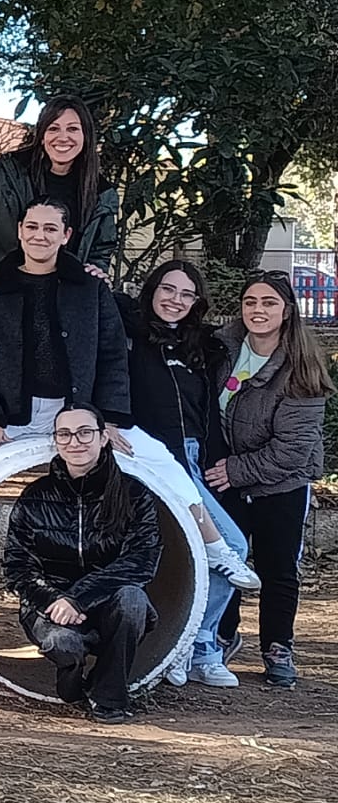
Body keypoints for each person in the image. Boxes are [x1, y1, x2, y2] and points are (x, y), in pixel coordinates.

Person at [0, 202, 251, 603]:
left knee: (161, 460)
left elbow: (112, 355)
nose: (40, 235)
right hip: (8, 414)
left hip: (78, 413)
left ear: (66, 235)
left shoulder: (90, 288)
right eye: (32, 227)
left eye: (50, 229)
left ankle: (217, 549)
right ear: (20, 230)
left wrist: (109, 418)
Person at [121, 261, 256, 687]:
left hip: (196, 458)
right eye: (168, 289)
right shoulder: (131, 335)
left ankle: (194, 647)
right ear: (152, 290)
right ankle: (192, 646)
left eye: (186, 294)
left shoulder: (203, 346)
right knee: (230, 546)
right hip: (155, 459)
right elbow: (99, 300)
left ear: (197, 302)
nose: (175, 300)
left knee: (213, 553)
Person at [2, 403, 160, 724]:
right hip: (49, 606)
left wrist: (79, 598)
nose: (75, 442)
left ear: (103, 437)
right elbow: (18, 567)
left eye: (85, 432)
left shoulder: (133, 494)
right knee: (64, 643)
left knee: (133, 600)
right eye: (65, 434)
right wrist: (54, 600)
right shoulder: (35, 496)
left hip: (108, 602)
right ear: (56, 441)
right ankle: (71, 671)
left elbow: (140, 560)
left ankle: (109, 696)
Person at [209, 273, 329, 689]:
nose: (257, 310)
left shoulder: (302, 368)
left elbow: (293, 449)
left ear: (287, 311)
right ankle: (222, 635)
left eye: (269, 303)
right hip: (227, 478)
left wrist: (235, 470)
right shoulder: (221, 348)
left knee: (278, 567)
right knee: (226, 560)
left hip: (281, 483)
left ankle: (278, 646)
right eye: (250, 302)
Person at [0, 101, 119, 293]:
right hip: (3, 292)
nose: (63, 137)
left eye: (72, 129)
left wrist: (95, 272)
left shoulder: (101, 193)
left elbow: (101, 249)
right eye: (53, 128)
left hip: (66, 297)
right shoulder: (2, 175)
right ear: (42, 136)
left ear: (86, 136)